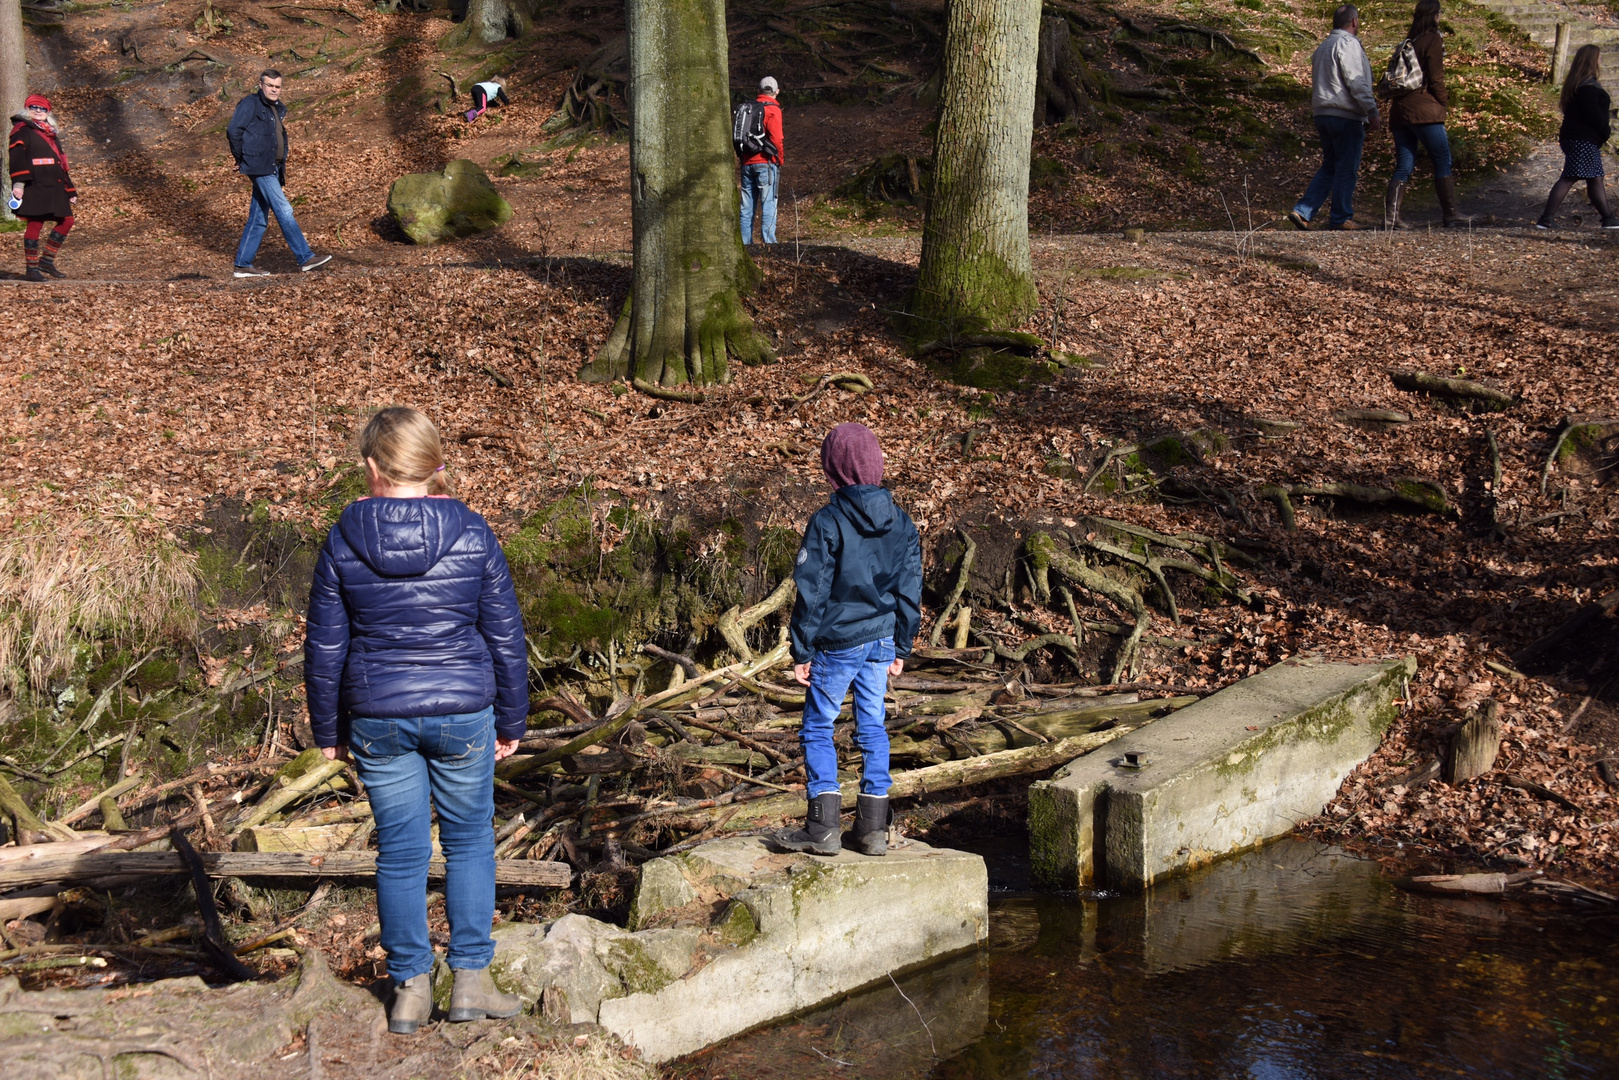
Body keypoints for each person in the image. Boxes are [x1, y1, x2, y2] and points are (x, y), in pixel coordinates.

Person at [305, 407, 527, 1035]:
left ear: (372, 467)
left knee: (401, 853)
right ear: (436, 467)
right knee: (469, 844)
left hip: (378, 715)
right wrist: (512, 718)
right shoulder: (474, 532)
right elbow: (506, 638)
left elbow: (325, 646)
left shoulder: (344, 538)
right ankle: (472, 983)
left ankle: (409, 991)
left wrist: (329, 731)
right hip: (463, 711)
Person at [773, 423, 921, 858]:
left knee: (819, 725)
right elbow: (910, 588)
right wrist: (901, 645)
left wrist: (801, 649)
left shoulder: (828, 520)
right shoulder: (902, 521)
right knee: (872, 725)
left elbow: (812, 589)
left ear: (834, 468)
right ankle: (873, 830)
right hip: (880, 641)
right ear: (875, 464)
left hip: (838, 643)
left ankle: (822, 827)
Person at [227, 69, 331, 277]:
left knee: (258, 218)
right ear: (261, 85)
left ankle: (242, 264)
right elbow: (233, 130)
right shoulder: (250, 104)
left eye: (277, 86)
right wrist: (241, 159)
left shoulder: (275, 108)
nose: (274, 90)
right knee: (284, 210)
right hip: (260, 167)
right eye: (270, 86)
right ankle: (305, 257)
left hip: (271, 167)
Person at [1287, 6, 1381, 231]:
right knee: (1346, 167)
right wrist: (1371, 109)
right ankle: (1340, 216)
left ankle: (1303, 211)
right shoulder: (1347, 45)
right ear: (1355, 22)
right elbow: (1356, 81)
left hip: (1323, 113)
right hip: (1345, 114)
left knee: (1330, 166)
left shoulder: (1323, 46)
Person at [1385, 0, 1474, 228]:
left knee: (1404, 163)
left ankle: (1392, 218)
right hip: (1424, 110)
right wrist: (1443, 103)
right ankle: (1451, 213)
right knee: (1442, 158)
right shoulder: (1432, 39)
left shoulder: (1409, 42)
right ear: (1434, 15)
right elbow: (1436, 78)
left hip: (1399, 111)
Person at [1536, 45, 1618, 230]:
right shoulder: (1587, 87)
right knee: (1570, 176)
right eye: (1599, 57)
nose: (1601, 61)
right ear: (1592, 60)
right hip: (1582, 138)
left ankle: (1608, 218)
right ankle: (1546, 219)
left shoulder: (1580, 83)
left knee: (1595, 178)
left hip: (1580, 138)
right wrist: (1605, 131)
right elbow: (1593, 114)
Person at [8, 94, 77, 282]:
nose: (38, 111)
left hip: (54, 186)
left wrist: (70, 189)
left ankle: (46, 261)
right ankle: (31, 269)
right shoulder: (21, 130)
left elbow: (61, 162)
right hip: (34, 185)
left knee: (67, 221)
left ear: (48, 112)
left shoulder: (51, 132)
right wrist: (19, 185)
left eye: (42, 109)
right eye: (34, 108)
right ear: (27, 110)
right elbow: (17, 159)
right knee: (35, 223)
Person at [739, 76, 784, 246]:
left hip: (747, 162)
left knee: (747, 205)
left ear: (758, 91)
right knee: (769, 202)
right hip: (766, 163)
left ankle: (745, 243)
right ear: (777, 92)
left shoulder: (749, 108)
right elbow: (777, 139)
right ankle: (769, 243)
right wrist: (779, 159)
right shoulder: (773, 110)